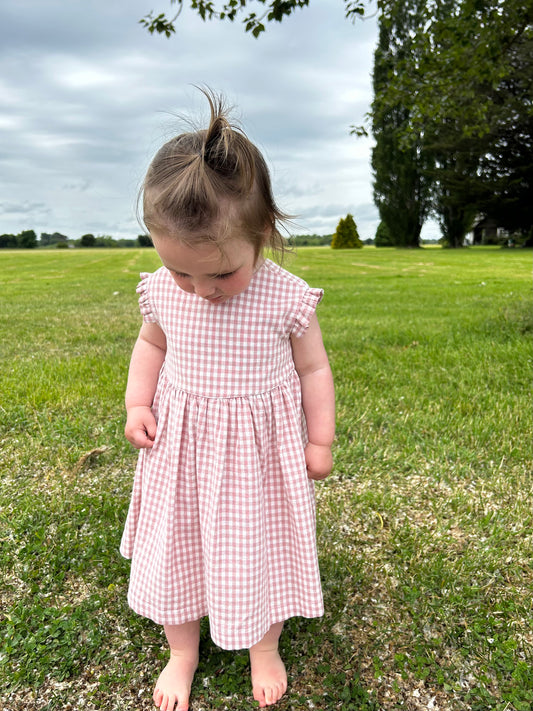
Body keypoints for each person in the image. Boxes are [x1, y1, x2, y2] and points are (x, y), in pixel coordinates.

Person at [121, 88, 335, 711]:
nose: (200, 290)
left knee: (259, 545)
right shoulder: (164, 290)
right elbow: (150, 346)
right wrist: (139, 402)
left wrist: (318, 438)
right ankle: (180, 648)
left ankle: (263, 645)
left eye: (219, 274)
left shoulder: (286, 296)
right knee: (178, 543)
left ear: (263, 233)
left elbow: (315, 368)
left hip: (257, 456)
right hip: (181, 447)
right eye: (183, 273)